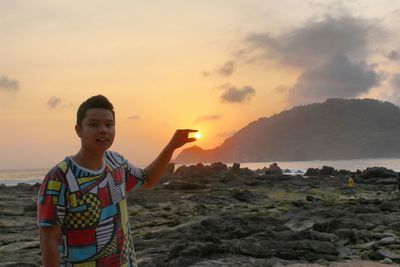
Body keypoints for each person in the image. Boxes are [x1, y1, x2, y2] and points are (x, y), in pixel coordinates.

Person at [37, 95, 197, 266]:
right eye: (93, 124)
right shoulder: (59, 177)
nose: (103, 130)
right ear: (78, 130)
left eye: (109, 124)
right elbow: (49, 239)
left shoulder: (116, 163)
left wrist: (172, 146)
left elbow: (147, 179)